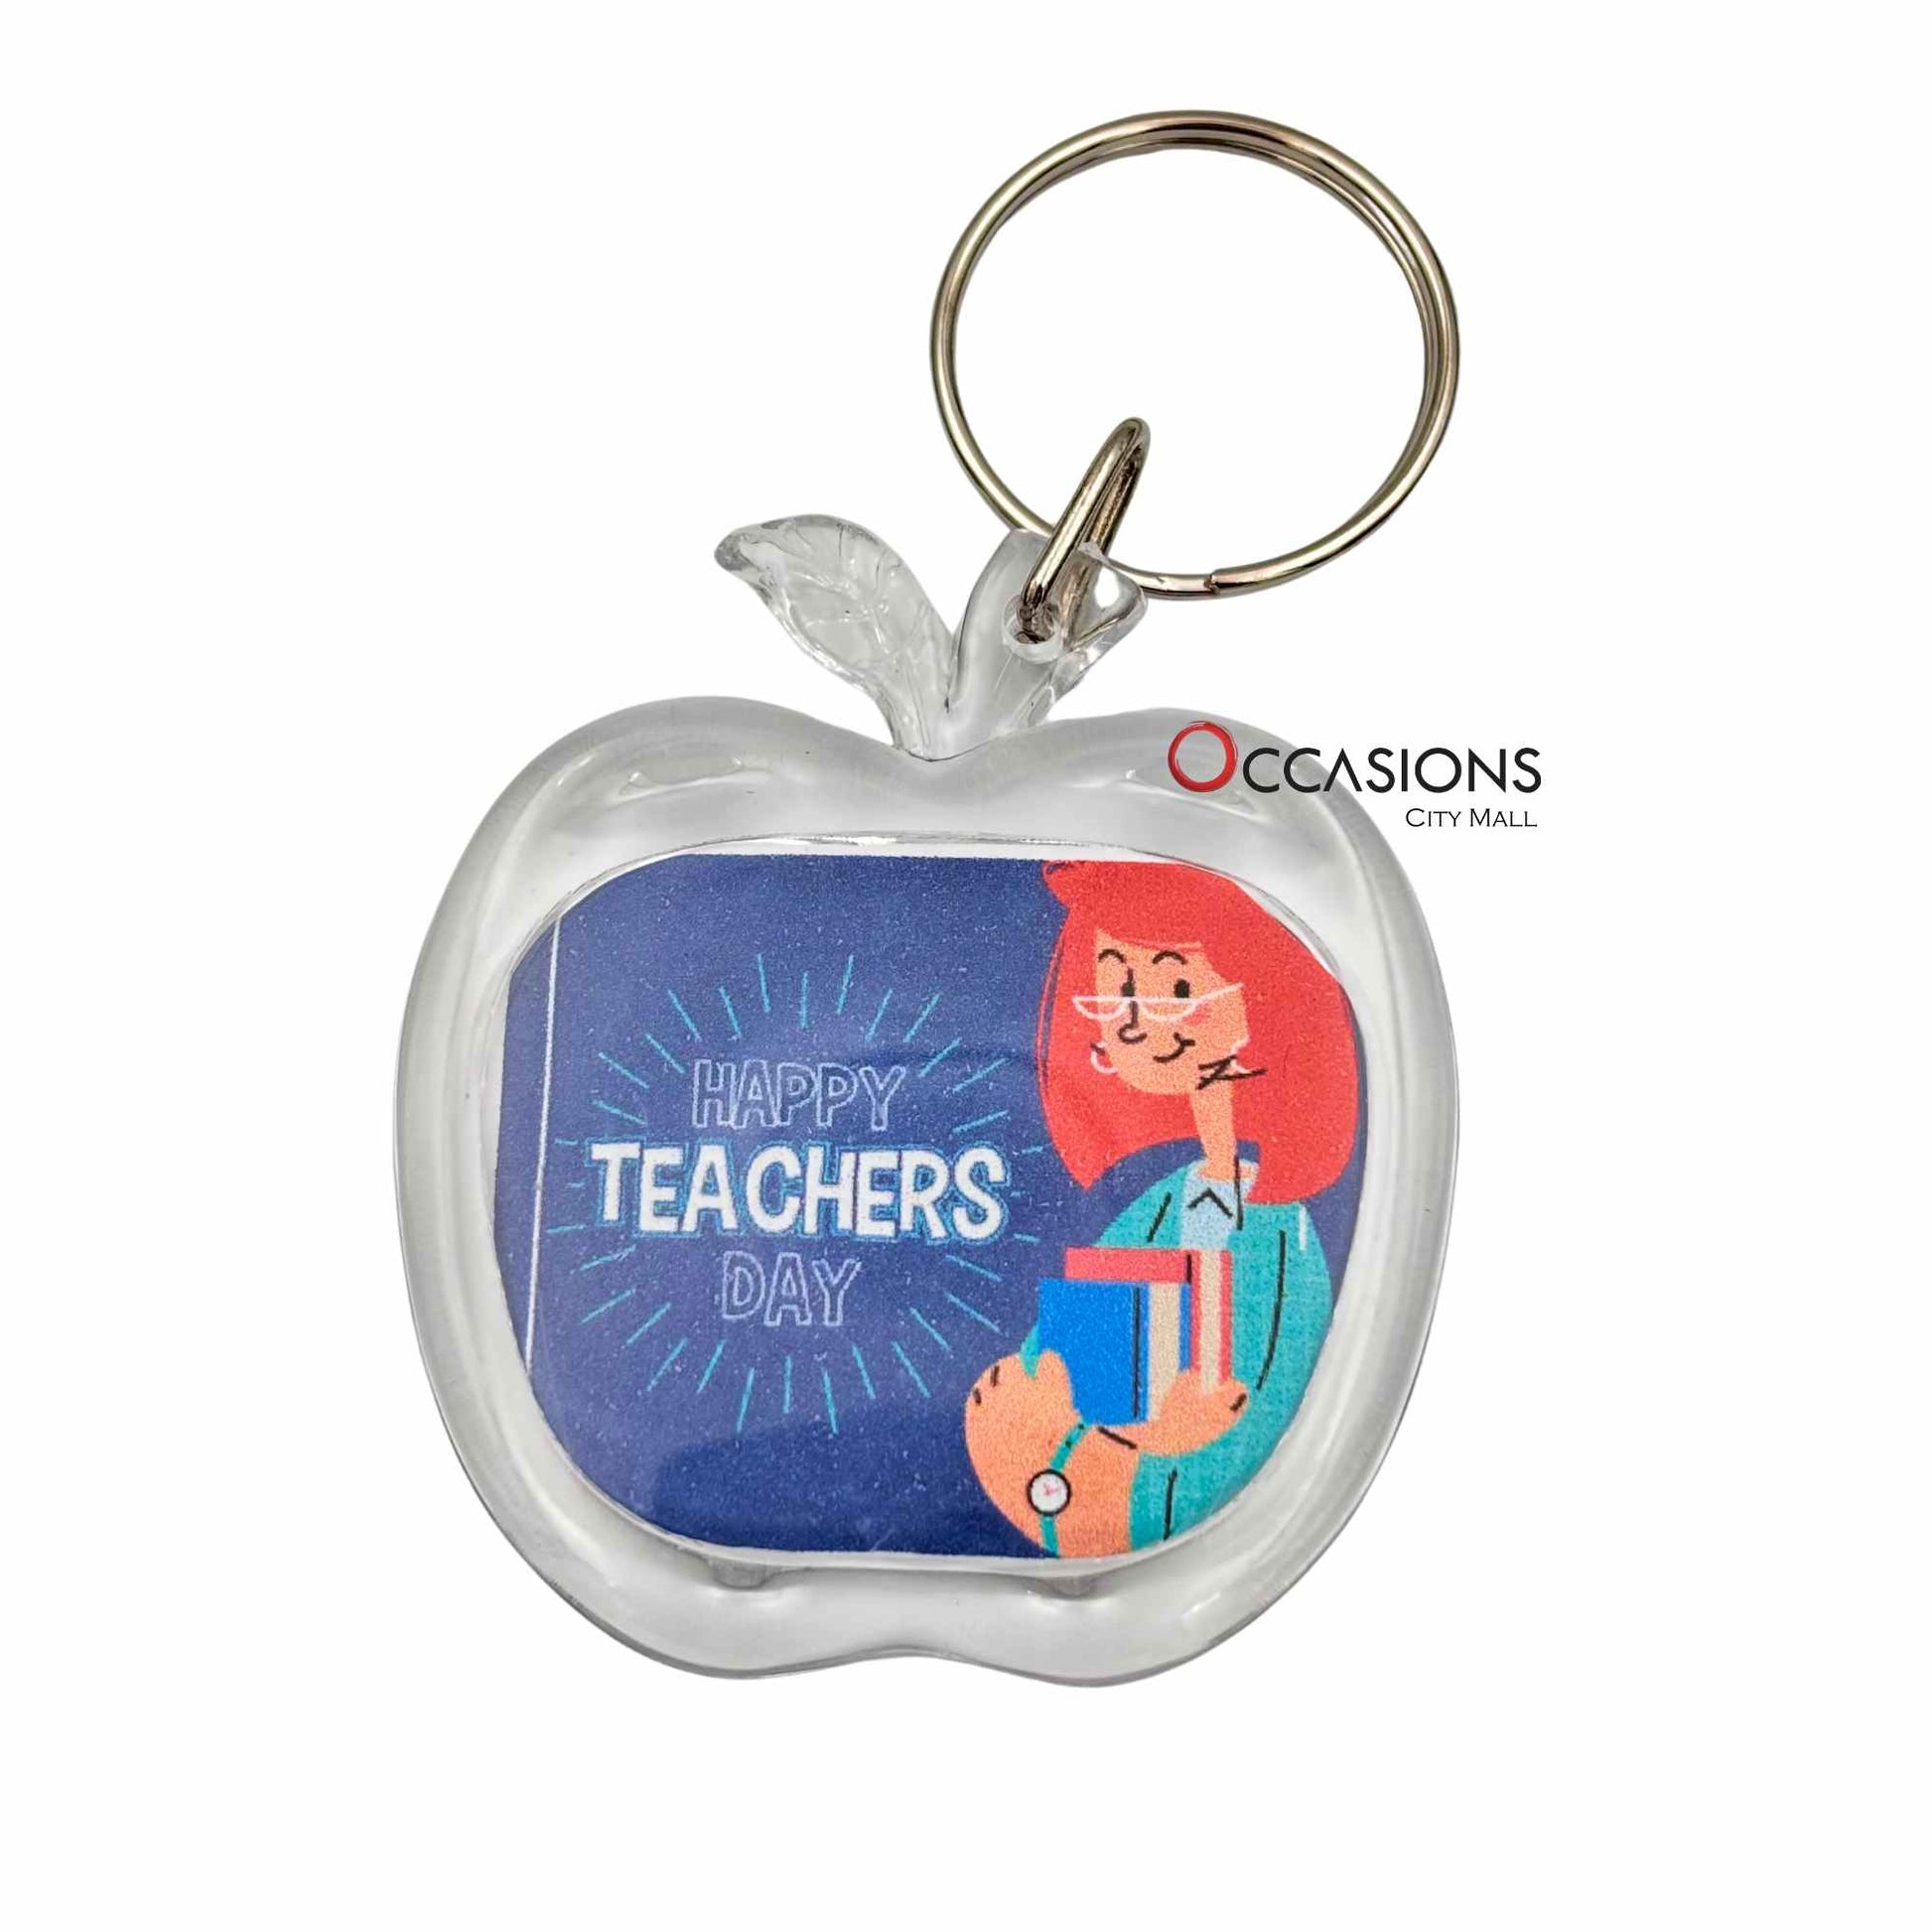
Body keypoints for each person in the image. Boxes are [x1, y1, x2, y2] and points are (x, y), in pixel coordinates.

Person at [965, 860, 1359, 1556]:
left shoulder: (1277, 1235)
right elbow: (1064, 1365)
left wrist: (1152, 1441)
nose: (1137, 1023)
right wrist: (1029, 1414)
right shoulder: (1159, 1201)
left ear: (1266, 993)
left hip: (1162, 1505)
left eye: (1175, 989)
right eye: (1116, 987)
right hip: (1088, 1493)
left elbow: (1254, 1393)